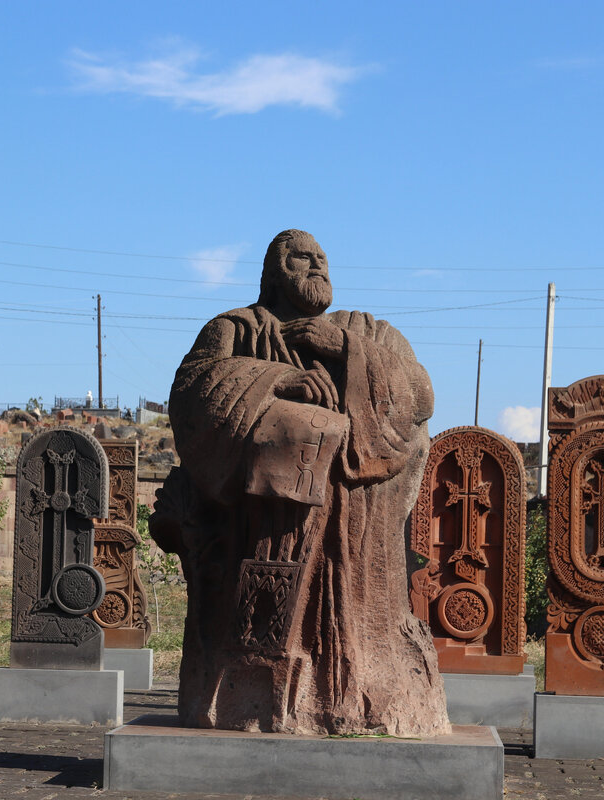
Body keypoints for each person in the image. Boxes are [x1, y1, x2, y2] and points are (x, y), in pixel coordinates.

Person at [150, 229, 449, 737]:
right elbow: (191, 393)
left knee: (356, 628)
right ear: (272, 272)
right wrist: (277, 381)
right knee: (266, 625)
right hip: (262, 529)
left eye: (322, 258)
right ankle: (252, 696)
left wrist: (349, 351)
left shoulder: (367, 329)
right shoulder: (236, 329)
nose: (316, 266)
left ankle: (363, 693)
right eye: (300, 257)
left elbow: (421, 396)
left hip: (358, 534)